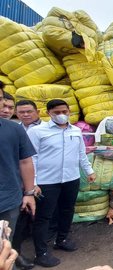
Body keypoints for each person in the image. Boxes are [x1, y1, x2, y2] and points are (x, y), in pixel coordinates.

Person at [27, 99, 96, 267]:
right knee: (44, 216)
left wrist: (89, 171)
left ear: (69, 111)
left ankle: (62, 239)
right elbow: (31, 158)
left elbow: (81, 153)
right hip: (46, 182)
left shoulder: (76, 131)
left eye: (64, 112)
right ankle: (41, 252)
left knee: (67, 210)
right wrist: (33, 182)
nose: (61, 115)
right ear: (48, 113)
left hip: (71, 178)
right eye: (57, 112)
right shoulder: (37, 131)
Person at [0, 88, 36, 259]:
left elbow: (25, 161)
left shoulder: (14, 129)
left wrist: (29, 193)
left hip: (7, 202)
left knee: (6, 246)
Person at [13, 99, 44, 269]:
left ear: (37, 111)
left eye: (29, 111)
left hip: (34, 180)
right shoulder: (14, 128)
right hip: (14, 180)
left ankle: (16, 253)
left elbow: (29, 160)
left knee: (22, 220)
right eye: (21, 112)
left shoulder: (44, 128)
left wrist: (32, 185)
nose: (25, 115)